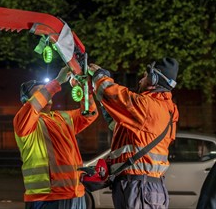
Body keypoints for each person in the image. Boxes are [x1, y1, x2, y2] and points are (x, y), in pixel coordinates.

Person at [88, 57, 179, 209]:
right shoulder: (159, 109)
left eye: (144, 76)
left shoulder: (149, 106)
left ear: (153, 79)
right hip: (140, 187)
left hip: (140, 188)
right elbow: (118, 125)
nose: (140, 80)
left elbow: (113, 94)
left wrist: (99, 75)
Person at [13, 66, 99, 209]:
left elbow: (90, 113)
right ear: (25, 101)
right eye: (41, 91)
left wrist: (83, 88)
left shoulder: (63, 117)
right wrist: (57, 81)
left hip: (75, 193)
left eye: (46, 90)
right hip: (46, 198)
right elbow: (33, 106)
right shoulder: (24, 122)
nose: (47, 93)